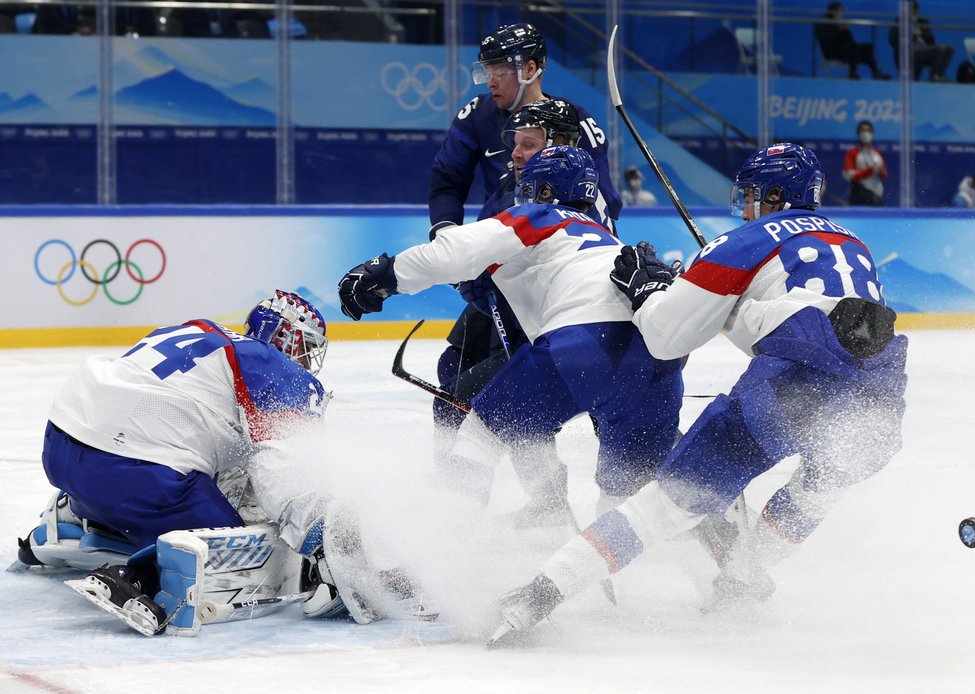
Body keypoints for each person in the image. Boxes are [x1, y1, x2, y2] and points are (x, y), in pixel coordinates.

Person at [489, 143, 909, 644]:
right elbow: (805, 321)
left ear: (776, 196)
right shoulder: (853, 243)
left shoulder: (743, 240)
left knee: (664, 507)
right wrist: (733, 304)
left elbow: (668, 337)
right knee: (818, 491)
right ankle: (743, 581)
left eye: (752, 196)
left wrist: (647, 293)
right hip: (879, 399)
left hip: (794, 386)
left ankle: (537, 596)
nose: (746, 206)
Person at [16, 291, 423, 634]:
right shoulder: (274, 366)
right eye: (307, 348)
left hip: (62, 449)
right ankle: (137, 578)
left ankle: (71, 521)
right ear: (290, 339)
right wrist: (318, 540)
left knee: (176, 465)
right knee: (242, 545)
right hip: (136, 474)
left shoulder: (194, 331)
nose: (307, 361)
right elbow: (281, 460)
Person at [339, 145, 684, 520]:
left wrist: (384, 275)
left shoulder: (541, 216)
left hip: (585, 344)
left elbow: (454, 252)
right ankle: (719, 562)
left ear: (547, 191)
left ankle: (440, 549)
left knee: (480, 435)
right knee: (631, 498)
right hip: (656, 359)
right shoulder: (605, 237)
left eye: (531, 186)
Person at [427, 22, 622, 527]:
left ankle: (613, 505)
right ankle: (542, 500)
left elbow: (601, 204)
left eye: (499, 69)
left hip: (543, 282)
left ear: (530, 68)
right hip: (496, 273)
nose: (489, 79)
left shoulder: (574, 124)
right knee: (458, 373)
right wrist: (453, 240)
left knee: (501, 393)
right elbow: (448, 180)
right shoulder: (478, 117)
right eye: (485, 68)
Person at [814, 2, 889, 80]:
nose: (842, 13)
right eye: (840, 10)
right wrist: (839, 30)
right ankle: (852, 73)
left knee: (867, 50)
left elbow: (849, 40)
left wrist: (846, 30)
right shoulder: (824, 22)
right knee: (855, 50)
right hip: (833, 51)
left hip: (846, 49)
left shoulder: (840, 22)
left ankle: (876, 73)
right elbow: (826, 39)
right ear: (833, 11)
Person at [890, 1, 954, 82]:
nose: (915, 13)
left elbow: (930, 39)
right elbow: (892, 40)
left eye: (916, 10)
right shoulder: (899, 22)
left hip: (924, 48)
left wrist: (921, 34)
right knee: (940, 49)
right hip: (910, 50)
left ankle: (939, 75)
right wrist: (910, 33)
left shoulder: (923, 22)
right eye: (912, 10)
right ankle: (934, 77)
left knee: (950, 49)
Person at [843, 120, 887, 206]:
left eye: (869, 130)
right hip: (859, 196)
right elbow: (848, 175)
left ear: (872, 133)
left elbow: (884, 174)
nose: (866, 133)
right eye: (863, 130)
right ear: (858, 134)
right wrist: (870, 171)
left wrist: (881, 172)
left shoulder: (877, 152)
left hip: (876, 196)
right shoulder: (853, 153)